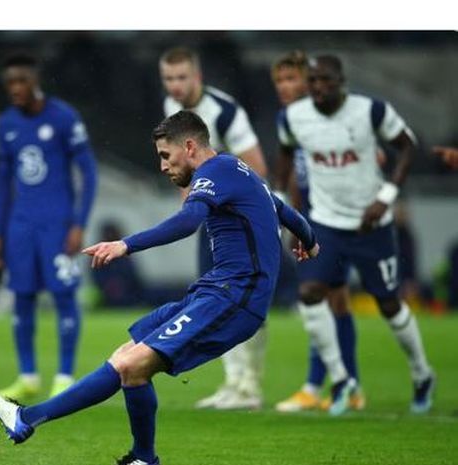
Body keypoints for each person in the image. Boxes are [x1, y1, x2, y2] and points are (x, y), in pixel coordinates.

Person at [0, 111, 336, 465]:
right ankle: (87, 439)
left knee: (134, 364)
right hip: (213, 292)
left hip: (234, 297)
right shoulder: (237, 171)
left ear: (189, 146)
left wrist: (126, 244)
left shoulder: (215, 173)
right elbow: (284, 210)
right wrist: (311, 241)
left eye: (166, 156)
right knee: (126, 358)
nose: (163, 166)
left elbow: (188, 221)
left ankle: (54, 429)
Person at [276, 54, 435, 414]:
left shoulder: (371, 111)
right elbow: (285, 156)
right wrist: (284, 206)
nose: (318, 87)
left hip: (371, 226)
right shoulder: (294, 117)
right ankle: (341, 380)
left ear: (341, 81)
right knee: (310, 293)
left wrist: (387, 197)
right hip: (326, 224)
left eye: (326, 81)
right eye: (313, 81)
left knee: (389, 306)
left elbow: (408, 144)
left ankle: (422, 373)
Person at [159, 46, 269, 410]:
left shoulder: (225, 111)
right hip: (210, 220)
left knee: (243, 296)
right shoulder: (170, 111)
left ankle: (250, 385)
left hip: (242, 221)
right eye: (169, 78)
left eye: (181, 78)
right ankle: (233, 382)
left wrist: (216, 197)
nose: (175, 86)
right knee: (214, 295)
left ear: (198, 77)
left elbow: (256, 167)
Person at [0, 53, 98, 401]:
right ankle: (28, 376)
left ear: (35, 80)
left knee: (64, 296)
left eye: (21, 80)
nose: (15, 88)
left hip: (57, 224)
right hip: (20, 225)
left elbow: (90, 173)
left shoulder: (64, 118)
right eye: (9, 83)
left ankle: (64, 375)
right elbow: (3, 182)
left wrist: (79, 223)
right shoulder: (6, 123)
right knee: (21, 297)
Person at [270, 51, 365, 413]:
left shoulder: (325, 120)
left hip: (327, 218)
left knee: (318, 298)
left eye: (292, 79)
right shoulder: (290, 121)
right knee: (332, 299)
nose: (285, 87)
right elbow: (290, 172)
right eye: (279, 81)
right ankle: (349, 386)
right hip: (311, 215)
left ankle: (317, 384)